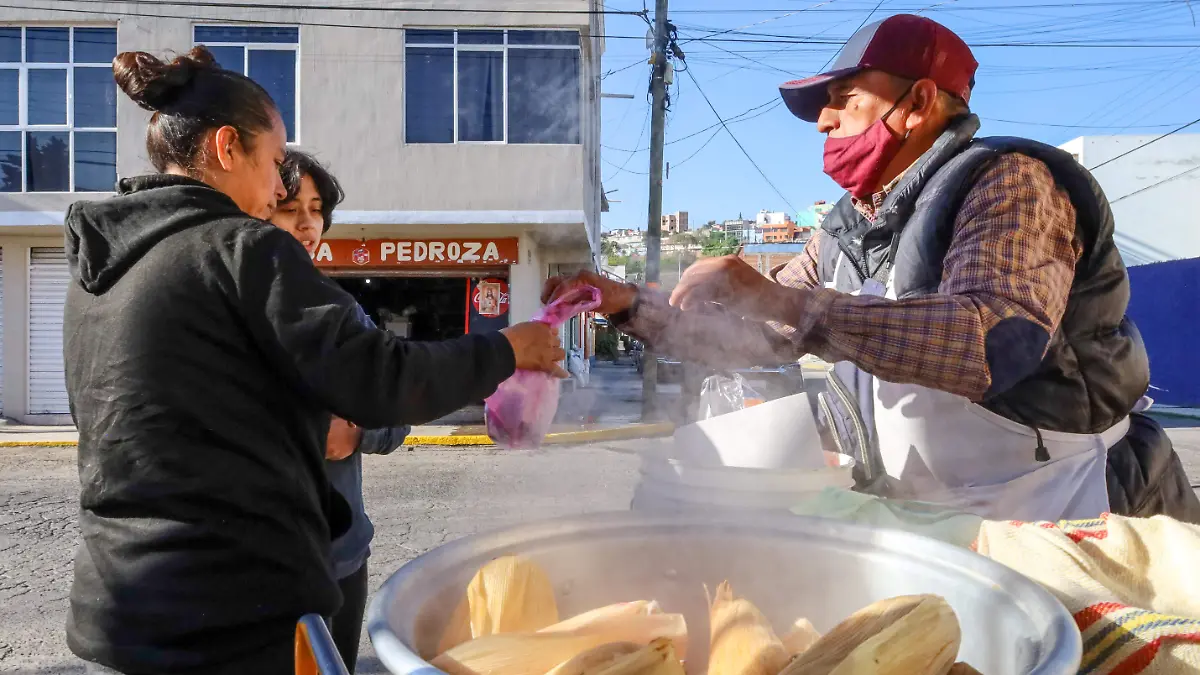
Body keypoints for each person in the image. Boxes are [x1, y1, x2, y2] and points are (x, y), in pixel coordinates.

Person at [546, 14, 1200, 524]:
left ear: (917, 103)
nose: (824, 120)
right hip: (938, 512)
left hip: (1068, 507)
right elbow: (754, 337)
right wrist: (623, 303)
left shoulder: (1010, 186)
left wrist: (784, 304)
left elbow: (992, 340)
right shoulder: (843, 229)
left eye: (844, 98)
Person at [64, 47, 565, 674]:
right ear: (227, 149)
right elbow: (382, 380)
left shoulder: (101, 271)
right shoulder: (242, 249)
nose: (279, 188)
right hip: (228, 617)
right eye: (274, 164)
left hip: (118, 612)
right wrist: (507, 348)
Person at [269, 149, 407, 673]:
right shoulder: (226, 309)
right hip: (259, 569)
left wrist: (357, 433)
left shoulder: (345, 314)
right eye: (289, 206)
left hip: (342, 561)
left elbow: (397, 417)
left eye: (317, 207)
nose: (307, 223)